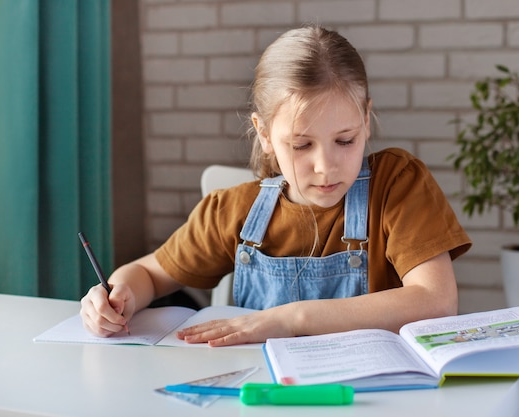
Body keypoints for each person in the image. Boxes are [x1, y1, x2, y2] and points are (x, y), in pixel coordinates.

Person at [80, 25, 471, 347]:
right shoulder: (233, 212)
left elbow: (436, 301)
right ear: (264, 134)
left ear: (366, 119)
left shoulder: (397, 186)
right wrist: (117, 295)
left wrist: (292, 319)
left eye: (346, 140)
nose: (325, 166)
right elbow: (148, 274)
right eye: (302, 144)